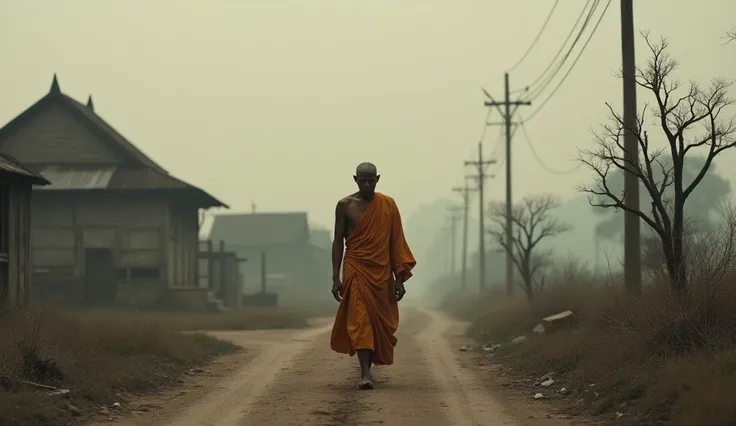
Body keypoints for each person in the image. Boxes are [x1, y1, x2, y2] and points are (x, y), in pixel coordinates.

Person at [329, 162, 416, 390]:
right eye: (362, 180)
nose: (367, 184)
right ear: (355, 179)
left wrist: (399, 278)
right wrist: (335, 277)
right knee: (360, 318)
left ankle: (368, 367)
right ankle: (365, 372)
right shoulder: (345, 205)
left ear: (378, 179)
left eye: (371, 180)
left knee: (376, 319)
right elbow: (338, 241)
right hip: (355, 267)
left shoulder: (388, 205)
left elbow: (396, 242)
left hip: (380, 270)